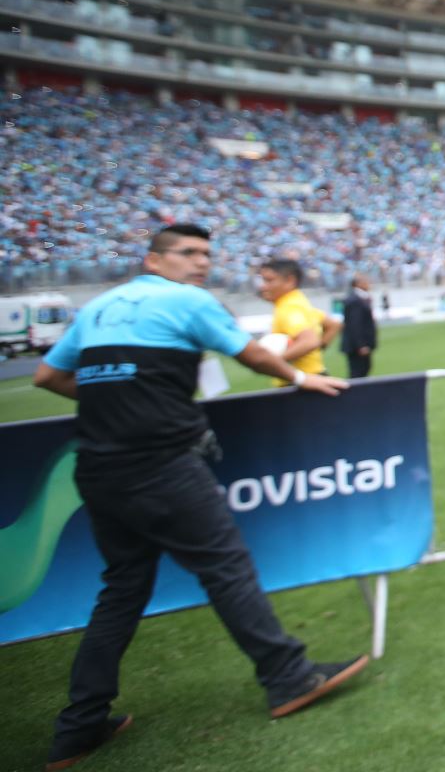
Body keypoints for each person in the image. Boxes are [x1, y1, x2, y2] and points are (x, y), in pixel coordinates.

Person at [31, 225, 365, 769]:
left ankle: (79, 727)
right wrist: (299, 380)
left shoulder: (98, 307)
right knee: (225, 566)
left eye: (207, 254)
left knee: (121, 590)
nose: (201, 263)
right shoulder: (188, 301)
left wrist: (117, 395)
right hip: (159, 463)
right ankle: (288, 677)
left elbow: (48, 375)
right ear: (154, 260)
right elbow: (253, 356)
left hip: (97, 468)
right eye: (188, 253)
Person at [257, 259, 340, 391]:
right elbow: (333, 325)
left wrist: (273, 362)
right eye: (262, 280)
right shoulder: (299, 301)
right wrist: (317, 350)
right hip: (314, 376)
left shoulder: (289, 307)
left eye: (269, 280)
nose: (263, 286)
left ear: (290, 281)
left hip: (300, 384)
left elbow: (309, 341)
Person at [340, 272, 378, 379]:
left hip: (360, 345)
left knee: (364, 370)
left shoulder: (359, 298)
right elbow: (354, 325)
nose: (369, 283)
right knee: (357, 373)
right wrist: (361, 345)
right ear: (358, 284)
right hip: (357, 346)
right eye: (366, 281)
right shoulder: (355, 300)